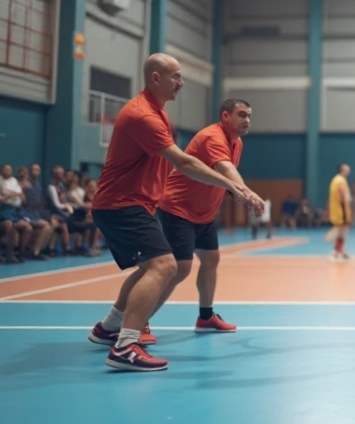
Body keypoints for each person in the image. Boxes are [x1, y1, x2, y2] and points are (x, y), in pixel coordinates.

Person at [87, 53, 261, 372]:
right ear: (156, 78)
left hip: (134, 204)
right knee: (166, 266)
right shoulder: (144, 116)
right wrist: (236, 187)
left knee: (153, 267)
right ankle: (126, 345)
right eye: (176, 77)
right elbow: (183, 162)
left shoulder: (160, 115)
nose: (181, 83)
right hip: (121, 204)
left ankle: (108, 328)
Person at [153, 98, 258, 335]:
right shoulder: (213, 137)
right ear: (225, 117)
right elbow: (226, 170)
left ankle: (206, 317)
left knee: (211, 260)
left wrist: (238, 193)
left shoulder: (236, 143)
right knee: (179, 268)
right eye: (241, 115)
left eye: (249, 116)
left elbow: (226, 179)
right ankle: (139, 322)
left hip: (204, 213)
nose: (247, 120)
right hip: (179, 208)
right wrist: (248, 193)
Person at [327, 164, 352, 261]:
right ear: (342, 170)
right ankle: (335, 252)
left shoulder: (335, 179)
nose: (349, 169)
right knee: (343, 231)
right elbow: (342, 193)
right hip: (341, 210)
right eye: (347, 168)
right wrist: (347, 201)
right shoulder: (341, 180)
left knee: (342, 230)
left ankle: (340, 250)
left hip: (337, 210)